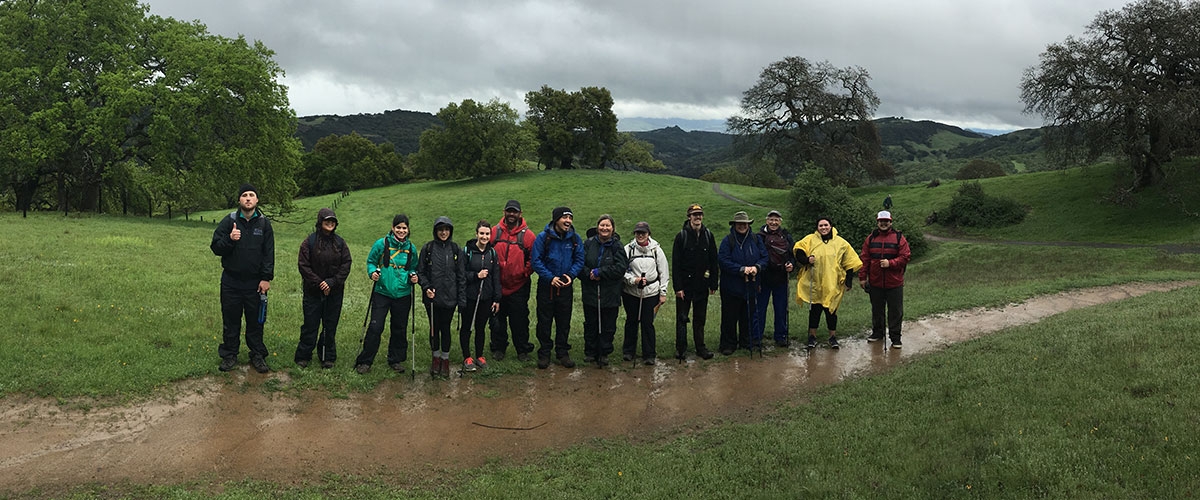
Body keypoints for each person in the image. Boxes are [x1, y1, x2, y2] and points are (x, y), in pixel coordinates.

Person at [210, 183, 275, 373]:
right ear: (239, 200)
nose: (248, 198)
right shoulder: (229, 221)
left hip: (255, 283)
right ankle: (229, 355)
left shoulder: (264, 224)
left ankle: (257, 355)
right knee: (231, 320)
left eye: (251, 195)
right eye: (244, 195)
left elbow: (268, 254)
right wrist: (230, 239)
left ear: (256, 200)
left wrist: (266, 278)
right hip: (231, 281)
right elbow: (215, 247)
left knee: (255, 321)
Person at [354, 214, 419, 374]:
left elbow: (414, 267)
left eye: (404, 228)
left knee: (399, 327)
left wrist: (413, 276)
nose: (401, 230)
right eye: (398, 227)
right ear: (393, 228)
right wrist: (372, 273)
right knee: (376, 327)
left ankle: (395, 359)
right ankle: (365, 361)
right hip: (382, 292)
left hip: (403, 293)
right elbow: (371, 261)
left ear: (408, 229)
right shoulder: (381, 244)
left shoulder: (411, 248)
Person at [295, 208, 352, 369]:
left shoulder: (340, 243)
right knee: (310, 325)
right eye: (327, 220)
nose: (330, 223)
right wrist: (319, 282)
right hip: (313, 292)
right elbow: (303, 265)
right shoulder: (309, 242)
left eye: (332, 221)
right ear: (320, 222)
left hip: (334, 292)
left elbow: (346, 264)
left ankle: (328, 356)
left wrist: (332, 282)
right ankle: (303, 355)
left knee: (330, 324)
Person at [793, 217, 862, 350]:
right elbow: (798, 249)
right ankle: (812, 337)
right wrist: (807, 260)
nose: (823, 228)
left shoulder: (841, 242)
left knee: (831, 311)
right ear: (817, 227)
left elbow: (850, 261)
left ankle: (832, 337)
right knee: (815, 311)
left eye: (826, 225)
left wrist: (848, 281)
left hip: (832, 283)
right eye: (820, 226)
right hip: (814, 283)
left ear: (831, 226)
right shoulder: (810, 239)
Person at [531, 206, 584, 369]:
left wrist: (570, 275)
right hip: (547, 287)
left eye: (570, 218)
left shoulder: (575, 239)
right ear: (556, 219)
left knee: (564, 321)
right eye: (564, 218)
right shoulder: (543, 238)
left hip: (566, 286)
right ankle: (544, 353)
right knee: (544, 321)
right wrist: (550, 278)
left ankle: (562, 352)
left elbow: (579, 259)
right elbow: (536, 261)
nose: (568, 221)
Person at [490, 200, 537, 362]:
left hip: (519, 286)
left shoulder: (528, 236)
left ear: (520, 214)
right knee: (497, 319)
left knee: (520, 320)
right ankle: (498, 348)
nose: (511, 214)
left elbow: (534, 258)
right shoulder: (494, 232)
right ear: (504, 212)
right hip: (497, 285)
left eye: (514, 212)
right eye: (509, 211)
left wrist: (524, 272)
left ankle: (522, 350)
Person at [672, 203, 719, 360]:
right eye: (694, 214)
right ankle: (681, 348)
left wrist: (713, 283)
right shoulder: (681, 236)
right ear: (689, 217)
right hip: (685, 286)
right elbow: (676, 264)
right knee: (682, 318)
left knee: (700, 318)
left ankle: (701, 347)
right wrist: (678, 287)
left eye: (700, 214)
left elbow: (713, 261)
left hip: (702, 285)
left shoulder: (708, 235)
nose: (697, 217)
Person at [579, 215, 627, 367]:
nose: (604, 228)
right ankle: (591, 351)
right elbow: (579, 264)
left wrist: (601, 272)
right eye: (602, 225)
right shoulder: (587, 244)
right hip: (591, 291)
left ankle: (605, 352)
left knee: (608, 324)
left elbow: (621, 268)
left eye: (608, 226)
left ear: (612, 229)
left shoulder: (617, 246)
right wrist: (590, 274)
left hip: (610, 293)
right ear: (597, 227)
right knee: (591, 323)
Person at [419, 216, 465, 378]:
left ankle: (445, 360)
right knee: (434, 329)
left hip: (450, 298)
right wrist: (426, 287)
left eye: (446, 229)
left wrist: (461, 299)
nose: (443, 232)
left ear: (450, 231)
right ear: (435, 231)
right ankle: (435, 358)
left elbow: (461, 276)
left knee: (445, 329)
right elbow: (421, 272)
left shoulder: (455, 250)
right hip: (432, 298)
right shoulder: (428, 248)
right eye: (440, 229)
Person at [717, 211, 768, 355]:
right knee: (729, 317)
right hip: (731, 287)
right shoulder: (728, 241)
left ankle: (746, 341)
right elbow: (723, 260)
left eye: (744, 224)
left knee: (748, 315)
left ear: (748, 224)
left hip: (751, 285)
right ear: (734, 225)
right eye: (739, 224)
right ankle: (728, 344)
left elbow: (765, 257)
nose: (742, 226)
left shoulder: (756, 239)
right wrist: (741, 269)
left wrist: (757, 267)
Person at [859, 210, 911, 348]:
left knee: (895, 311)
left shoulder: (899, 238)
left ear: (890, 222)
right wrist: (863, 278)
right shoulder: (870, 239)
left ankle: (895, 338)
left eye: (886, 221)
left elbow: (905, 257)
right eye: (881, 221)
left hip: (894, 282)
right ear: (877, 222)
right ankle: (878, 333)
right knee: (877, 310)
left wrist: (890, 263)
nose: (883, 223)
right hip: (875, 282)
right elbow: (865, 259)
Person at [622, 221, 670, 365]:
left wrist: (663, 292)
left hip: (651, 292)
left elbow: (664, 272)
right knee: (631, 321)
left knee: (647, 323)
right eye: (638, 233)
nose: (640, 235)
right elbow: (621, 270)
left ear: (648, 234)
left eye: (643, 232)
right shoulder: (628, 249)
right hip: (631, 292)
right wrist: (633, 280)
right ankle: (629, 351)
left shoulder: (656, 250)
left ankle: (649, 354)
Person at [459, 220, 500, 372]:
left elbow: (496, 276)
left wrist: (497, 298)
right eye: (481, 233)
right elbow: (462, 275)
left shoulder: (492, 253)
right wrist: (476, 275)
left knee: (480, 327)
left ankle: (479, 355)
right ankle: (466, 356)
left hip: (486, 297)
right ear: (476, 234)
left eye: (487, 234)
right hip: (470, 296)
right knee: (467, 327)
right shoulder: (467, 252)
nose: (484, 236)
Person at [755, 210, 796, 347]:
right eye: (771, 219)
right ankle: (757, 337)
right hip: (764, 278)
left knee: (781, 308)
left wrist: (791, 265)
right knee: (760, 309)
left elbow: (792, 255)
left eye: (776, 220)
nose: (773, 222)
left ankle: (781, 336)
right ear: (766, 220)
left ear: (780, 222)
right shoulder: (759, 237)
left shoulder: (786, 236)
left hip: (781, 277)